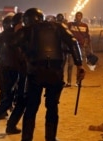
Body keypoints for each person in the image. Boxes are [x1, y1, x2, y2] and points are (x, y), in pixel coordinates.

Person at [11, 8, 85, 141]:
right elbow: (73, 42)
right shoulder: (58, 26)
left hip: (35, 72)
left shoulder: (28, 30)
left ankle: (27, 138)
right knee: (52, 106)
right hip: (55, 73)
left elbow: (14, 42)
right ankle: (50, 138)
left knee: (31, 107)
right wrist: (79, 65)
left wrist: (24, 50)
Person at [0, 14, 26, 134]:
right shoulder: (22, 35)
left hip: (5, 67)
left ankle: (2, 116)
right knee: (19, 98)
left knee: (8, 95)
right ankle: (2, 116)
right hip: (17, 68)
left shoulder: (2, 35)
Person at [67, 11, 91, 86]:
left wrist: (86, 44)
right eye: (77, 16)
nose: (78, 17)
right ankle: (69, 82)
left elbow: (87, 36)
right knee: (70, 65)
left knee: (79, 66)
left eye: (80, 16)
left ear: (81, 17)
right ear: (75, 17)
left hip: (80, 47)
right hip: (72, 47)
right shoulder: (71, 24)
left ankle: (78, 81)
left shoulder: (85, 26)